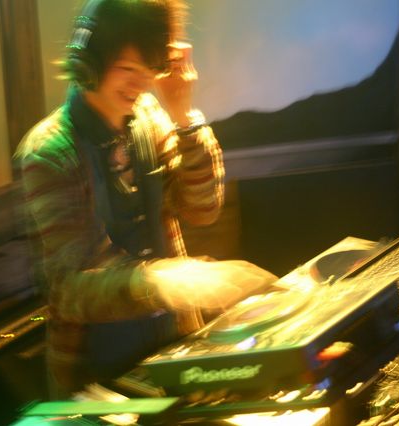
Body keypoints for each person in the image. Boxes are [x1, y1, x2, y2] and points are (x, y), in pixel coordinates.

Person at [14, 0, 276, 398]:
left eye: (149, 70)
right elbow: (72, 290)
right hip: (96, 376)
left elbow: (203, 209)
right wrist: (165, 281)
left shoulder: (150, 117)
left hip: (172, 345)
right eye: (127, 69)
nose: (141, 84)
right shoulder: (48, 153)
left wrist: (184, 116)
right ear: (88, 62)